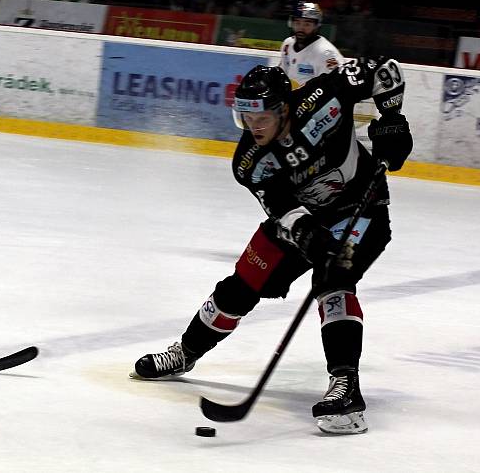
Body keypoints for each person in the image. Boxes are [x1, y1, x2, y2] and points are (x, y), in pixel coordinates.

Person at [131, 57, 413, 434]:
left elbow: (385, 70)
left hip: (361, 209)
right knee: (241, 286)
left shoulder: (324, 97)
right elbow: (283, 209)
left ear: (283, 109)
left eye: (261, 117)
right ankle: (186, 352)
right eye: (246, 118)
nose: (253, 126)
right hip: (306, 217)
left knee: (333, 282)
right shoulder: (251, 161)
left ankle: (346, 388)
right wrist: (308, 233)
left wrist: (393, 117)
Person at [279, 1, 344, 88]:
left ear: (317, 26)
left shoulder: (326, 53)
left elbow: (333, 87)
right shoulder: (288, 44)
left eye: (307, 24)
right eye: (297, 23)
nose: (301, 28)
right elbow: (281, 74)